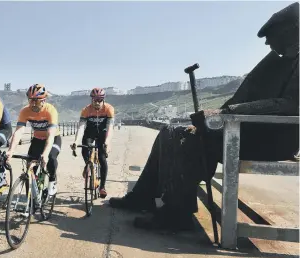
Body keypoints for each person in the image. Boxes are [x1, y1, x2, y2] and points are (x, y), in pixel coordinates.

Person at [109, 2, 299, 232]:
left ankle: (176, 214)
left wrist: (226, 112)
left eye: (271, 35)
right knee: (169, 131)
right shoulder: (284, 60)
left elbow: (291, 104)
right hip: (253, 131)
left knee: (185, 140)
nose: (267, 42)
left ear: (292, 29)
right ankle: (143, 196)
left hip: (273, 139)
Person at [6, 84, 61, 196]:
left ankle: (52, 180)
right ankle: (31, 200)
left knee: (50, 157)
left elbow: (50, 135)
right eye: (31, 100)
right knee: (30, 168)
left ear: (44, 100)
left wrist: (45, 153)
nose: (33, 104)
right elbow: (19, 131)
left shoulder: (50, 110)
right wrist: (11, 150)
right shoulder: (25, 111)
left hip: (53, 138)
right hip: (37, 139)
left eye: (37, 100)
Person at [71, 87, 114, 198]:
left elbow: (110, 127)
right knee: (85, 148)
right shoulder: (86, 110)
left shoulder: (109, 109)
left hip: (102, 134)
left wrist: (107, 142)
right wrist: (75, 141)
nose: (97, 102)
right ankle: (88, 165)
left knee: (102, 157)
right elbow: (81, 127)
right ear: (91, 100)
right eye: (95, 100)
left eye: (100, 100)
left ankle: (102, 187)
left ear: (103, 100)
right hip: (89, 133)